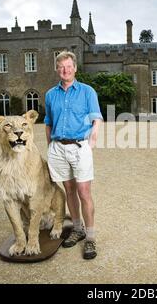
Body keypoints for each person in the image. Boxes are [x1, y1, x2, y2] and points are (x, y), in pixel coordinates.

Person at [44, 51, 102, 260]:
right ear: (57, 69)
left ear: (75, 68)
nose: (65, 70)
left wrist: (91, 143)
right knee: (69, 189)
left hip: (80, 147)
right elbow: (48, 122)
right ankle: (77, 229)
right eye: (61, 67)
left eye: (68, 66)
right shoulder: (51, 94)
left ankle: (91, 237)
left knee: (84, 191)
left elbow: (96, 119)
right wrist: (50, 146)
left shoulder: (87, 92)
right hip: (58, 148)